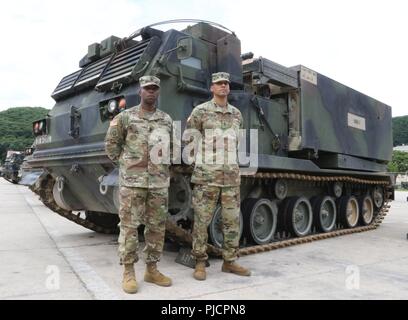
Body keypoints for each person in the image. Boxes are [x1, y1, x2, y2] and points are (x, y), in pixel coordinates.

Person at [105, 75, 173, 294]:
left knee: (156, 227)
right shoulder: (126, 117)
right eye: (147, 88)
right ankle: (128, 271)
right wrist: (127, 166)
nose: (151, 91)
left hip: (159, 182)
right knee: (129, 227)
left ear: (158, 92)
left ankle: (152, 269)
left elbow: (171, 147)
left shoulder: (166, 119)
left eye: (154, 88)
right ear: (140, 91)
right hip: (133, 183)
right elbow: (112, 145)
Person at [186, 72, 251, 281]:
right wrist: (202, 164)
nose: (223, 86)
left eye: (226, 83)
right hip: (207, 177)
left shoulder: (237, 115)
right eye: (219, 83)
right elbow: (190, 141)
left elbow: (237, 142)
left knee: (231, 221)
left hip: (231, 178)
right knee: (202, 221)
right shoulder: (200, 112)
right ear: (212, 88)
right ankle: (199, 261)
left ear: (229, 88)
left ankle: (229, 261)